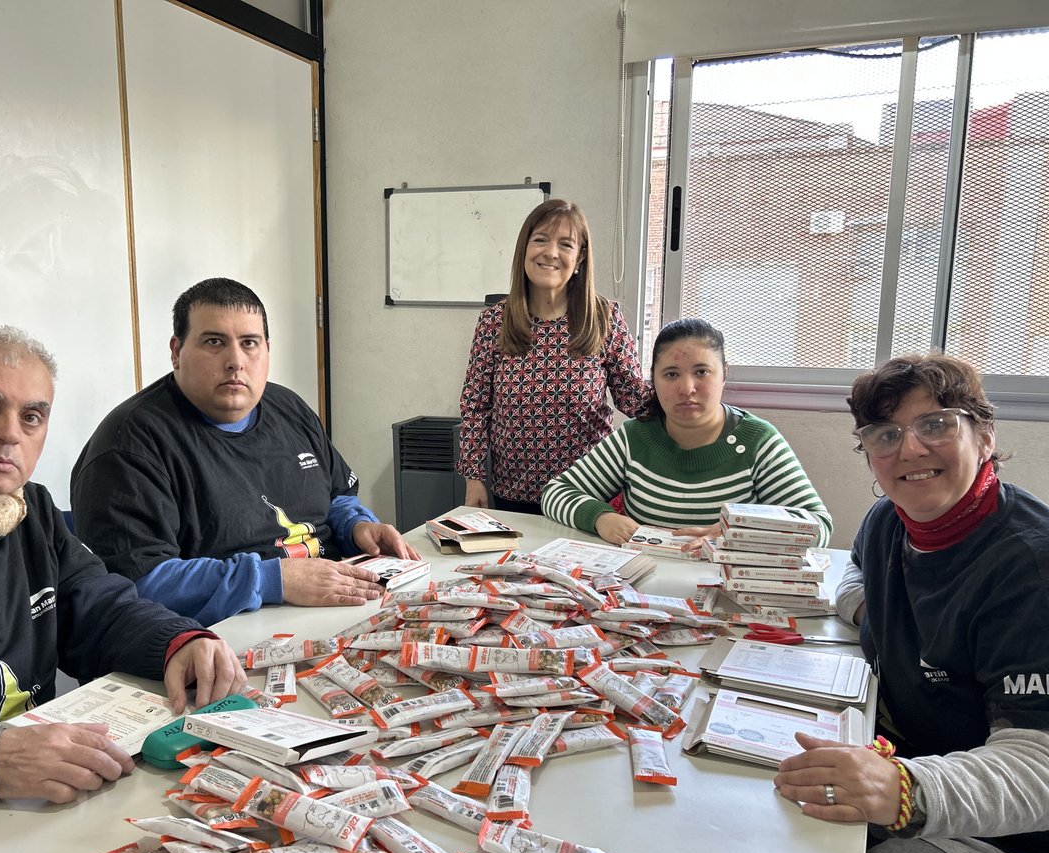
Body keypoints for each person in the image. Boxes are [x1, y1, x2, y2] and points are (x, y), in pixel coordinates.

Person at [0, 324, 246, 823]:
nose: (9, 432)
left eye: (32, 416)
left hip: (39, 796)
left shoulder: (29, 507)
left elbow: (96, 605)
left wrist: (176, 641)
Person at [775, 353, 1049, 853]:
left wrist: (905, 788)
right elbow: (854, 570)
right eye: (885, 434)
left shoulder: (1029, 567)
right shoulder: (887, 522)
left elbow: (1038, 766)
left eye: (936, 424)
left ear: (984, 436)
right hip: (914, 767)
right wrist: (871, 615)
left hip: (1008, 842)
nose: (911, 449)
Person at [71, 277, 417, 627]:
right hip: (216, 634)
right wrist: (273, 580)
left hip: (329, 603)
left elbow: (337, 495)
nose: (235, 361)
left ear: (267, 349)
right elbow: (139, 582)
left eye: (249, 343)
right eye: (214, 342)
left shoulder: (288, 407)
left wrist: (356, 526)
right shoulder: (129, 444)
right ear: (176, 352)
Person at [541, 317, 831, 549]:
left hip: (727, 592)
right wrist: (600, 518)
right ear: (652, 378)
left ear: (724, 373)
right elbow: (554, 493)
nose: (687, 388)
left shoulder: (757, 441)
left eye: (702, 372)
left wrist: (742, 529)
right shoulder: (635, 437)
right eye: (671, 374)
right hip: (643, 588)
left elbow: (818, 526)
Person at [457, 198, 652, 515]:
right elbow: (476, 406)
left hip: (589, 492)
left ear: (580, 257)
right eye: (541, 240)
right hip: (514, 492)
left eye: (565, 244)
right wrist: (473, 476)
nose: (551, 253)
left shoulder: (604, 318)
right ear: (525, 249)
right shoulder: (494, 322)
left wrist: (685, 395)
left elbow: (634, 399)